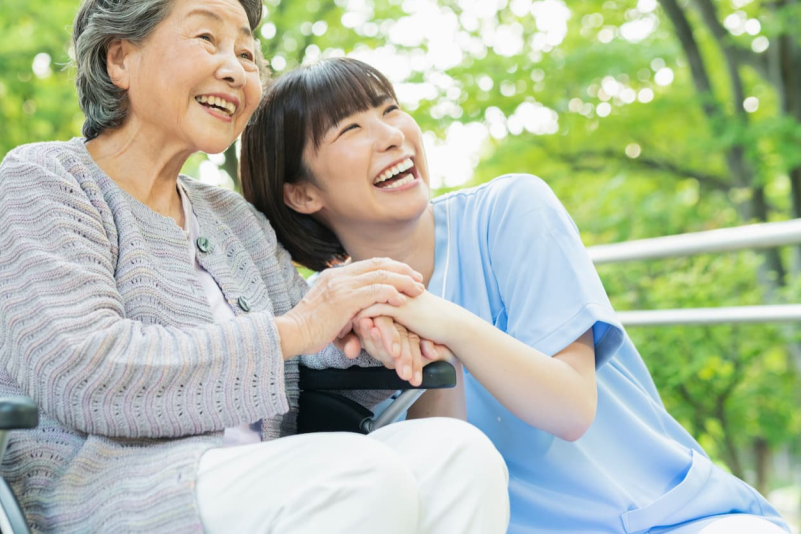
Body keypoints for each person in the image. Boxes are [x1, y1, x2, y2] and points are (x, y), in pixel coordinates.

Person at [0, 0, 509, 534]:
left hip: (254, 472)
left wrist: (366, 330)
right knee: (357, 474)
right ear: (120, 57)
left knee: (459, 454)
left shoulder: (229, 217)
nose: (236, 69)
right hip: (102, 491)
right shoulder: (46, 181)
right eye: (207, 39)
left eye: (247, 54)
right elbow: (83, 370)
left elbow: (306, 344)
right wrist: (300, 328)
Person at [239, 56, 789, 534]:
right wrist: (435, 359)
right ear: (302, 192)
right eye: (349, 128)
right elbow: (445, 471)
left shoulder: (510, 210)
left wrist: (439, 317)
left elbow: (570, 406)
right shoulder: (329, 321)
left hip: (667, 515)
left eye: (390, 109)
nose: (390, 135)